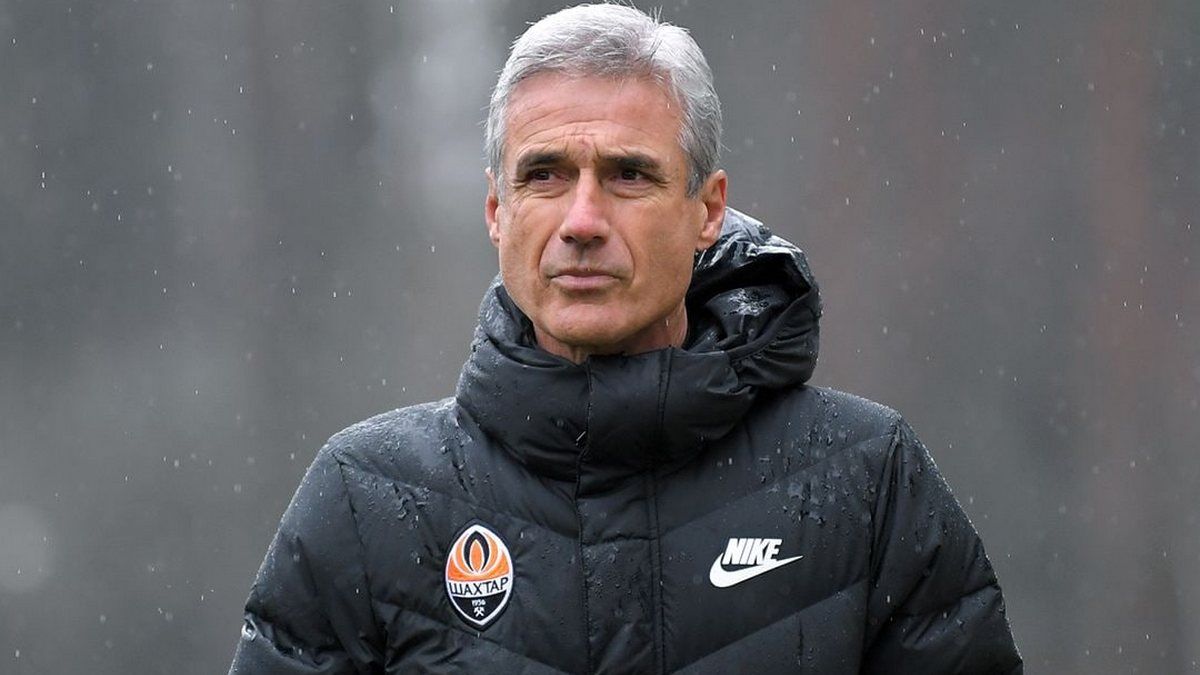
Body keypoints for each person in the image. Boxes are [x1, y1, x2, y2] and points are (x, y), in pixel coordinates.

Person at [229, 4, 1022, 673]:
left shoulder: (865, 482)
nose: (582, 220)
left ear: (708, 210)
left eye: (628, 175)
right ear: (497, 212)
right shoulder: (368, 500)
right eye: (544, 174)